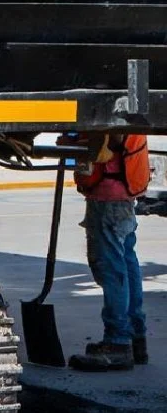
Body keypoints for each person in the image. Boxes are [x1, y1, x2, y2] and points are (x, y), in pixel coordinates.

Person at [65, 133, 151, 371]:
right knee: (127, 264)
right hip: (122, 197)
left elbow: (97, 150)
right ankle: (135, 339)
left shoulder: (106, 116)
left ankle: (117, 343)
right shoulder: (128, 111)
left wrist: (71, 141)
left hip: (107, 200)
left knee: (112, 270)